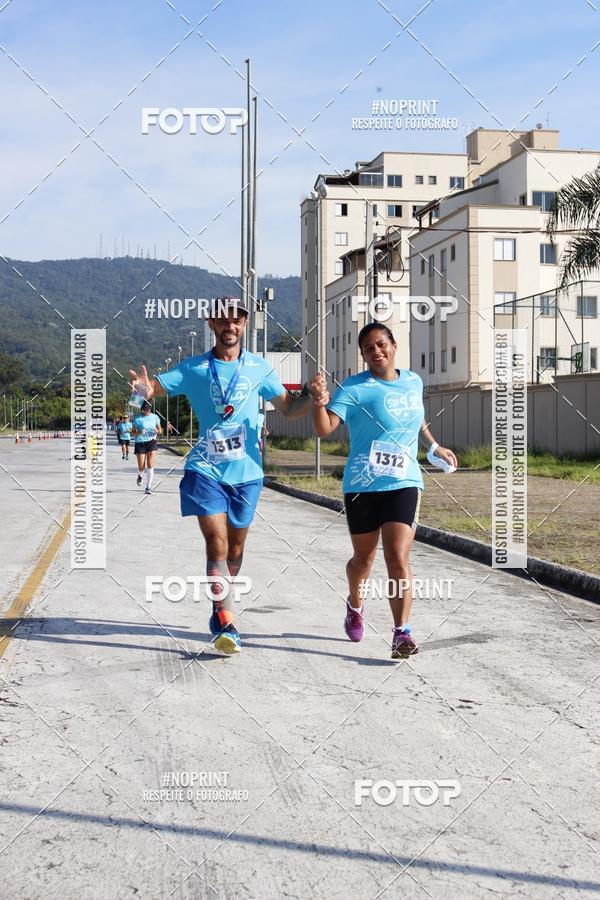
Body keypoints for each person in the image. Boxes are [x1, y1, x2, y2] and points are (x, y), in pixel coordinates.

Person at [128, 297, 315, 655]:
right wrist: (143, 391)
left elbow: (290, 409)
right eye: (223, 321)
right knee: (216, 543)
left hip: (247, 472)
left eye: (237, 321)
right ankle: (224, 616)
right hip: (205, 468)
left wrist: (314, 398)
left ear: (244, 325)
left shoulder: (259, 368)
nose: (231, 326)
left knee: (236, 548)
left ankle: (223, 604)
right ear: (212, 324)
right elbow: (153, 390)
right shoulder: (195, 367)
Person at [310, 322, 457, 660]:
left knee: (397, 555)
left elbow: (415, 419)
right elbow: (324, 429)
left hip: (404, 482)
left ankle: (401, 633)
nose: (376, 352)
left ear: (393, 345)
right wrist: (319, 401)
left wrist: (434, 447)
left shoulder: (413, 381)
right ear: (362, 355)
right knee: (364, 559)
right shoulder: (354, 388)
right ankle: (355, 602)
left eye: (381, 344)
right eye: (368, 349)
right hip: (362, 485)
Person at [132, 400, 162, 495]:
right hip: (140, 443)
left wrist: (157, 431)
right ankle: (140, 475)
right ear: (142, 409)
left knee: (150, 464)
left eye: (148, 409)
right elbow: (133, 433)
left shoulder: (155, 417)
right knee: (141, 466)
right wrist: (140, 432)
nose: (147, 411)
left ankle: (148, 487)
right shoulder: (137, 419)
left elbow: (160, 430)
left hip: (152, 442)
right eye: (145, 410)